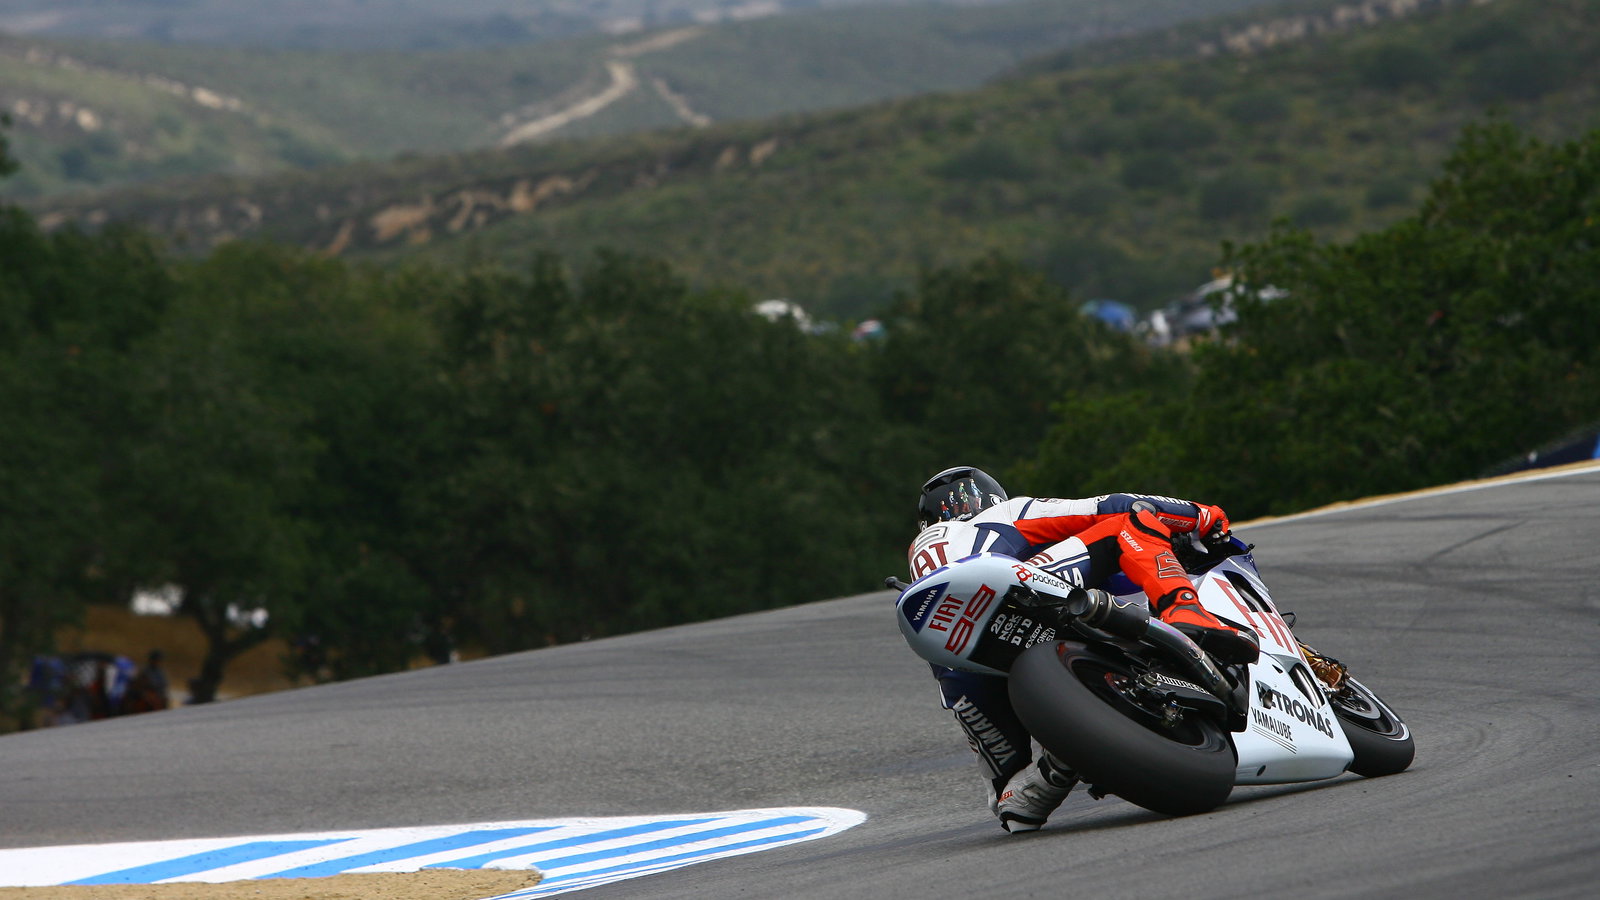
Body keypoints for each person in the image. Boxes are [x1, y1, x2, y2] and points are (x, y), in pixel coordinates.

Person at [906, 465, 1259, 833]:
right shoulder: (1002, 514)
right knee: (1127, 524)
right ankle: (1187, 612)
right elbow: (1112, 506)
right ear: (991, 497)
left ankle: (1048, 775)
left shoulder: (922, 560)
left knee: (1010, 799)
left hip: (959, 665)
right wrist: (1204, 517)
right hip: (1016, 592)